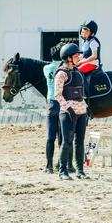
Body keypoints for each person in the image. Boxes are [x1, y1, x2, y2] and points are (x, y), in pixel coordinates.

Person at [55, 43, 89, 180]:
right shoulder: (61, 74)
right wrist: (69, 109)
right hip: (68, 113)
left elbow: (81, 93)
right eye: (76, 55)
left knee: (80, 141)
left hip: (81, 112)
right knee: (67, 141)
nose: (79, 57)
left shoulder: (78, 72)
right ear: (68, 58)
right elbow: (58, 94)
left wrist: (86, 108)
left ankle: (80, 170)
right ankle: (63, 171)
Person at [42, 42, 70, 174]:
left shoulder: (46, 68)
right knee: (63, 137)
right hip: (63, 104)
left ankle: (49, 166)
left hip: (51, 104)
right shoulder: (65, 69)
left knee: (50, 137)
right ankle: (62, 164)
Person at [77, 20, 101, 118]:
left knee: (77, 73)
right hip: (86, 63)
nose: (83, 30)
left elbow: (94, 56)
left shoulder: (93, 42)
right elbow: (83, 55)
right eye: (83, 28)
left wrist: (82, 62)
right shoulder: (84, 42)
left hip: (93, 64)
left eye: (86, 29)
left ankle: (85, 100)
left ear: (91, 32)